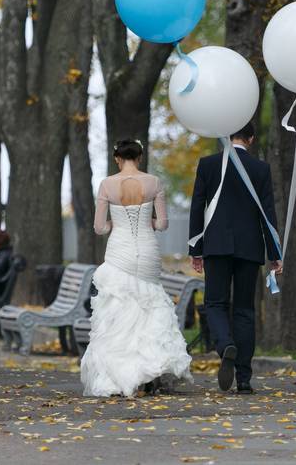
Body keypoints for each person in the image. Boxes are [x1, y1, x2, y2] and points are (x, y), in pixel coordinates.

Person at [80, 139, 192, 397]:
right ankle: (148, 371)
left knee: (119, 309)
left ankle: (119, 375)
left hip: (119, 249)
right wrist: (147, 221)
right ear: (139, 157)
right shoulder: (153, 182)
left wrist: (114, 224)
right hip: (147, 248)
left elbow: (99, 228)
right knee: (148, 306)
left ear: (117, 158)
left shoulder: (107, 184)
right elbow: (162, 224)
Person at [188, 123, 280, 395]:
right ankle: (244, 379)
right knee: (244, 310)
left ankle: (225, 344)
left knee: (215, 302)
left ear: (228, 136)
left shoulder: (208, 164)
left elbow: (198, 205)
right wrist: (274, 254)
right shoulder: (261, 169)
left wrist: (196, 246)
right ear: (250, 139)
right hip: (250, 247)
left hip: (216, 245)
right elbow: (268, 214)